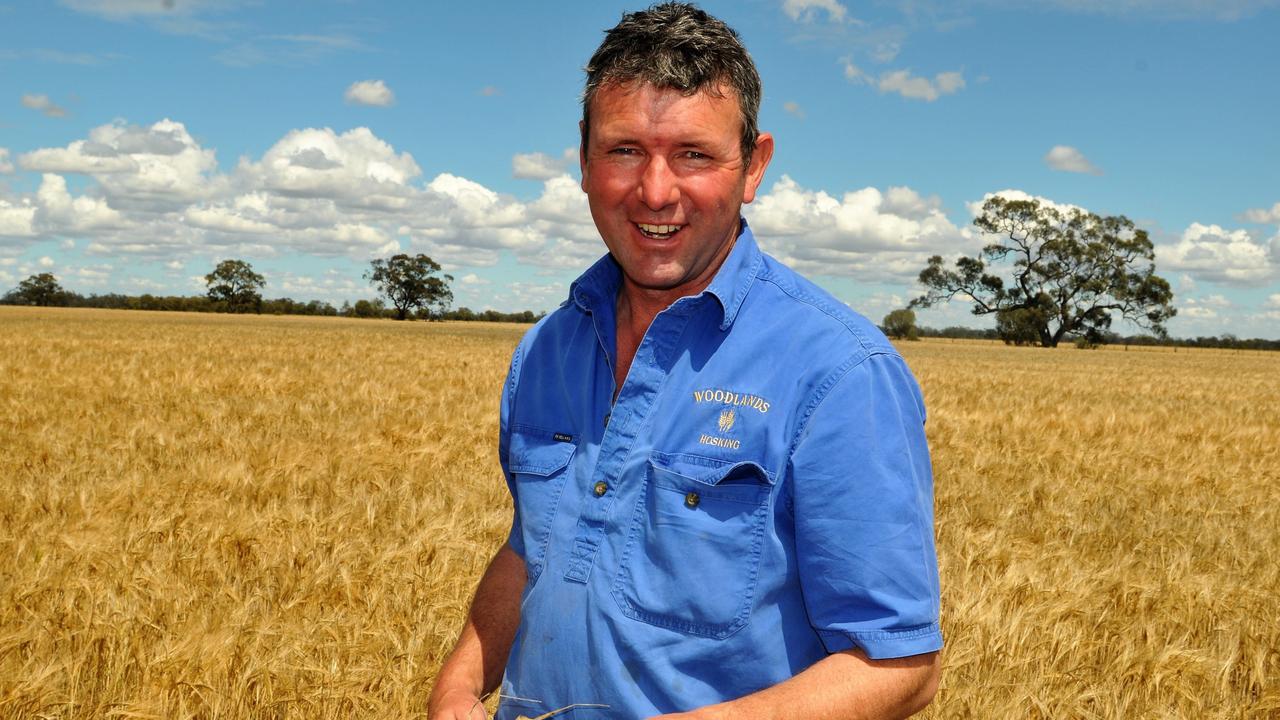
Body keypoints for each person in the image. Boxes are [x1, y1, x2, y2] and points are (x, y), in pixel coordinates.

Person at [428, 4, 942, 718]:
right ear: (583, 159)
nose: (656, 191)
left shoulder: (839, 374)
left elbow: (900, 664)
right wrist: (459, 682)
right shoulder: (547, 348)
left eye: (694, 154)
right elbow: (534, 550)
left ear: (754, 166)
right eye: (625, 150)